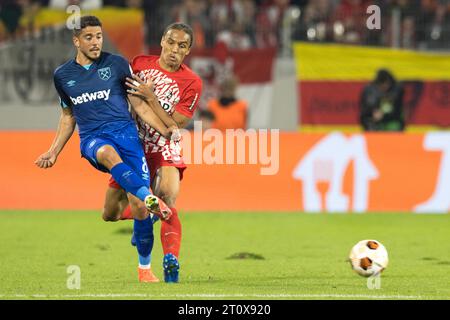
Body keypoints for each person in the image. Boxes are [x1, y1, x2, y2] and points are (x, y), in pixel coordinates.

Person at [34, 16, 178, 283]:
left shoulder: (117, 64)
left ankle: (144, 270)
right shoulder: (63, 76)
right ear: (76, 40)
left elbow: (140, 106)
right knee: (108, 155)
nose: (95, 42)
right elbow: (68, 116)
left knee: (136, 209)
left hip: (127, 137)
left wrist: (165, 128)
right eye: (89, 37)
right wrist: (54, 151)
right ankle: (150, 197)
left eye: (99, 36)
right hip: (93, 139)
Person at [103, 22, 203, 283]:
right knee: (110, 213)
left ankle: (171, 260)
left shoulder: (192, 82)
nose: (174, 49)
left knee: (168, 197)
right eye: (170, 42)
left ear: (188, 51)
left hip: (164, 145)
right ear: (162, 41)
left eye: (181, 46)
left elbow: (176, 125)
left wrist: (151, 98)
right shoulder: (139, 63)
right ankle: (142, 219)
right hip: (133, 144)